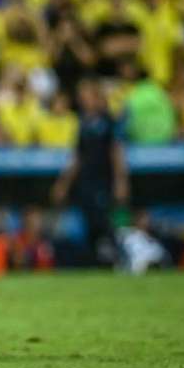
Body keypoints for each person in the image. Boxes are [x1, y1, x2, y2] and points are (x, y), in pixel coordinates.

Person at [52, 79, 129, 265]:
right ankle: (96, 263)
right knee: (89, 224)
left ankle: (119, 260)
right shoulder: (83, 123)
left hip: (103, 181)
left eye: (85, 96)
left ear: (96, 97)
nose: (82, 100)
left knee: (104, 223)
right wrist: (63, 183)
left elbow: (116, 152)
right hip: (85, 182)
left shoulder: (108, 121)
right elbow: (77, 157)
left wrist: (121, 182)